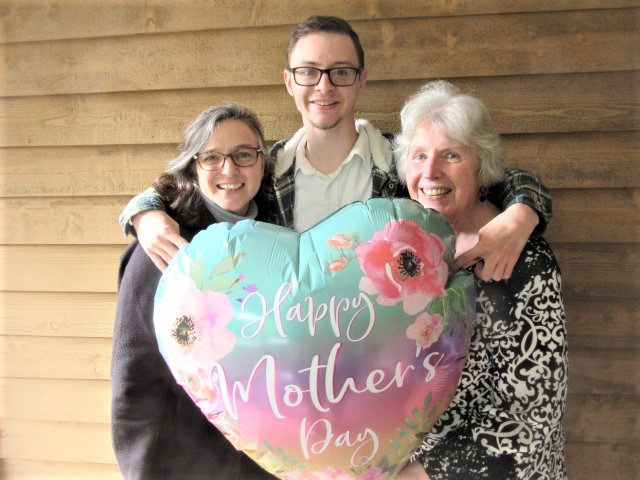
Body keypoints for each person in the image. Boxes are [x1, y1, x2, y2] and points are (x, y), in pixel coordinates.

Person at [119, 16, 552, 282]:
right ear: (289, 82)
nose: (324, 87)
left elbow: (492, 178)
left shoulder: (402, 164)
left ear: (361, 80)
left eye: (340, 72)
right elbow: (185, 187)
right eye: (309, 72)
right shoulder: (263, 172)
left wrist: (523, 212)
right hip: (294, 373)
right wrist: (143, 213)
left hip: (383, 369)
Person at [394, 80, 567, 480]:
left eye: (451, 155)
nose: (430, 172)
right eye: (419, 156)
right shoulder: (403, 248)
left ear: (482, 165)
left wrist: (418, 474)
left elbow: (531, 416)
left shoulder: (524, 261)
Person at [111, 102, 278, 479]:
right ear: (193, 167)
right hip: (185, 463)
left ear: (262, 163)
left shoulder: (274, 237)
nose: (230, 169)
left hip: (262, 463)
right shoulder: (162, 250)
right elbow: (134, 376)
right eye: (212, 157)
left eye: (243, 154)